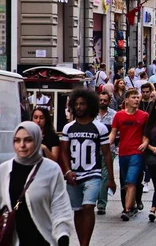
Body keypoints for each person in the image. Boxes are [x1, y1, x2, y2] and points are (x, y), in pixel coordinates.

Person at [0, 122, 75, 246]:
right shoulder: (4, 170)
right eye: (17, 140)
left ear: (38, 140)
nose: (22, 145)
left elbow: (60, 208)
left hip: (42, 240)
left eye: (28, 140)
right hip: (13, 240)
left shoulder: (51, 169)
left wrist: (63, 237)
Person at [60, 90, 115, 246]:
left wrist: (111, 178)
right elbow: (64, 151)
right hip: (74, 175)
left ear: (89, 105)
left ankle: (85, 243)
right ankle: (81, 240)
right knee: (77, 209)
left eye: (82, 104)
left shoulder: (100, 128)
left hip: (93, 174)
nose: (79, 107)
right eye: (76, 104)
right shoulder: (68, 128)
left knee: (89, 206)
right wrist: (68, 171)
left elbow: (106, 154)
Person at [109, 88, 149, 221]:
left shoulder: (144, 116)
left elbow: (148, 133)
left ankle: (126, 210)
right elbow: (113, 133)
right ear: (126, 100)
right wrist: (105, 144)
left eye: (138, 97)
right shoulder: (119, 116)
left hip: (137, 152)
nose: (137, 100)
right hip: (123, 153)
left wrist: (145, 143)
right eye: (133, 97)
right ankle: (130, 205)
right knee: (124, 181)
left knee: (131, 181)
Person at [95, 91, 117, 215]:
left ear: (109, 102)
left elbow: (116, 133)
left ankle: (102, 203)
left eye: (105, 100)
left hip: (109, 149)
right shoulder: (92, 115)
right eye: (100, 100)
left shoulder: (114, 115)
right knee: (95, 176)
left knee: (104, 175)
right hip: (94, 150)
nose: (102, 102)